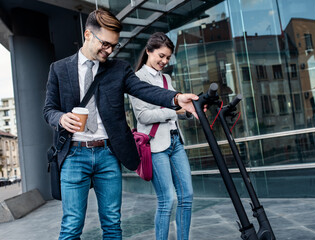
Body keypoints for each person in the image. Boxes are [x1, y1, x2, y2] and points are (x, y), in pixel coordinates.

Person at [43, 9, 200, 240]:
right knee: (71, 226)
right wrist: (60, 118)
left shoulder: (118, 69)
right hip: (74, 155)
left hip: (108, 154)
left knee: (112, 225)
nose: (109, 51)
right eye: (105, 44)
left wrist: (176, 98)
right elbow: (49, 110)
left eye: (113, 46)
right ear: (88, 34)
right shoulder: (59, 69)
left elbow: (144, 90)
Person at [129, 32, 193, 240]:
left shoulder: (166, 78)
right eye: (161, 56)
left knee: (187, 196)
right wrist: (174, 110)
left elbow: (175, 112)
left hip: (175, 142)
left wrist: (189, 112)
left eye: (168, 58)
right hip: (155, 146)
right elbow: (143, 116)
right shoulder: (137, 79)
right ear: (148, 51)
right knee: (167, 200)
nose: (164, 61)